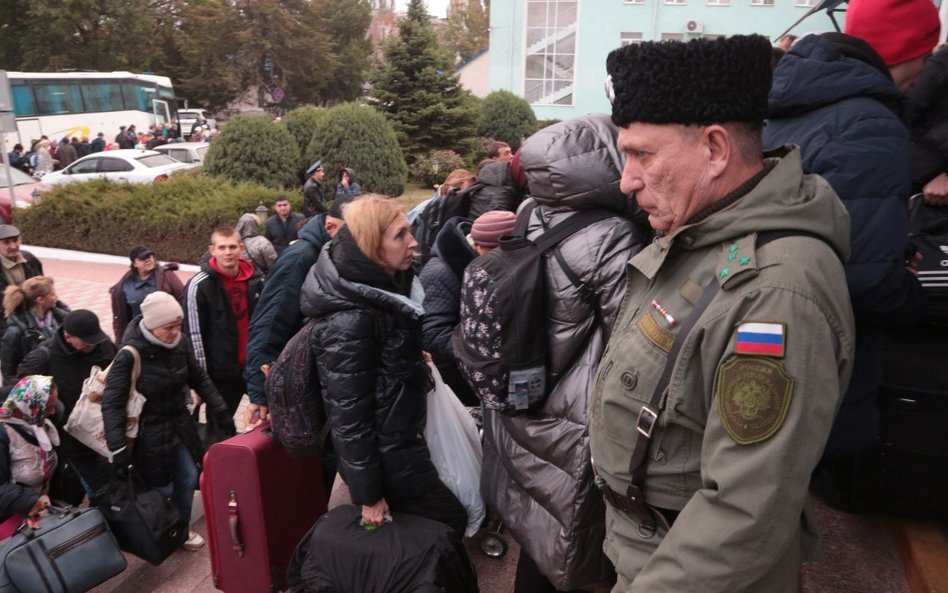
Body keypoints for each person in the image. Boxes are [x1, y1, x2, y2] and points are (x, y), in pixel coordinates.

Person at [590, 35, 856, 592]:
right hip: (648, 550)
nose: (626, 178)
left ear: (714, 149)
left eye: (643, 154)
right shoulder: (702, 235)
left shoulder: (777, 289)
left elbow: (744, 511)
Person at [458, 114, 647, 592]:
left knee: (538, 527)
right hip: (575, 414)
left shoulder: (530, 213)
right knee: (572, 543)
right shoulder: (614, 237)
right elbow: (631, 339)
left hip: (528, 397)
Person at [764, 13, 932, 469]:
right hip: (827, 358)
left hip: (772, 332)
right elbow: (862, 280)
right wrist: (917, 296)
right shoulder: (870, 123)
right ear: (905, 54)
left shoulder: (790, 102)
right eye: (925, 54)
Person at [300, 195, 468, 538]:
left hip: (403, 439)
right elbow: (348, 416)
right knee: (449, 520)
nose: (413, 242)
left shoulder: (386, 287)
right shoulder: (350, 318)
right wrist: (369, 495)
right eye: (400, 235)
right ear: (372, 246)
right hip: (391, 456)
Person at [103, 292, 236, 551]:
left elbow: (199, 377)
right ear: (152, 326)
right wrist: (117, 448)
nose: (175, 332)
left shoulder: (180, 343)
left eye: (179, 325)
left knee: (187, 478)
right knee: (160, 487)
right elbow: (112, 402)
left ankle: (181, 531)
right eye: (169, 327)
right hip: (146, 436)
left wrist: (220, 410)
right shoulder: (130, 354)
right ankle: (160, 533)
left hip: (178, 426)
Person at [246, 199, 348, 428]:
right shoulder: (300, 257)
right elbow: (269, 320)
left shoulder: (333, 252)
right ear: (331, 227)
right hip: (300, 379)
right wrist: (259, 391)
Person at [16, 310, 117, 503]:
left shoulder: (103, 346)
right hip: (66, 438)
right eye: (85, 341)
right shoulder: (43, 357)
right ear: (68, 337)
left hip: (100, 429)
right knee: (93, 487)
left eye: (94, 339)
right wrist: (54, 409)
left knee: (100, 483)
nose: (91, 345)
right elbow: (23, 392)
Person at [421, 211, 515, 407]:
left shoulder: (487, 266)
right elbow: (433, 334)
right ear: (480, 247)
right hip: (462, 383)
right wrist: (484, 349)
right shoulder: (441, 272)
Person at [183, 226, 262, 416]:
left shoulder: (256, 280)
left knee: (268, 424)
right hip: (221, 374)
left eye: (233, 247)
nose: (228, 252)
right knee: (219, 429)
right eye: (222, 247)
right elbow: (195, 336)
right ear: (212, 250)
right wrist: (202, 382)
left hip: (254, 367)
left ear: (241, 248)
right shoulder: (199, 285)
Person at [0, 376, 58, 533]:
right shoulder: (3, 434)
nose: (53, 412)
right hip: (9, 523)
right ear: (30, 406)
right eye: (48, 407)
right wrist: (30, 501)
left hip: (39, 516)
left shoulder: (39, 424)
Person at [109, 245, 185, 345]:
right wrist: (119, 343)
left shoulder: (167, 276)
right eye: (143, 258)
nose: (148, 260)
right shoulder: (123, 286)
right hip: (138, 337)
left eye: (150, 256)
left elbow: (183, 299)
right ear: (134, 263)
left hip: (165, 334)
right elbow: (119, 319)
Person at [2, 277, 68, 387]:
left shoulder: (60, 316)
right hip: (36, 388)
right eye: (52, 294)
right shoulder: (15, 332)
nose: (56, 297)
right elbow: (9, 374)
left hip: (60, 381)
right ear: (40, 300)